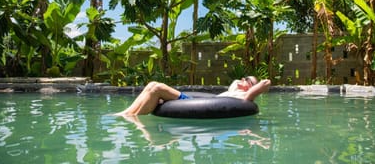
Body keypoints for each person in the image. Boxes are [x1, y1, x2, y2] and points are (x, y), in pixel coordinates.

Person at [114, 76, 271, 116]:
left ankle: (130, 116)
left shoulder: (243, 95)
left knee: (157, 88)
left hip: (191, 103)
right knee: (152, 85)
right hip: (197, 101)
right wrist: (248, 83)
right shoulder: (234, 88)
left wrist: (257, 87)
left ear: (250, 86)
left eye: (247, 80)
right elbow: (237, 82)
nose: (242, 80)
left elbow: (249, 97)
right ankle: (128, 113)